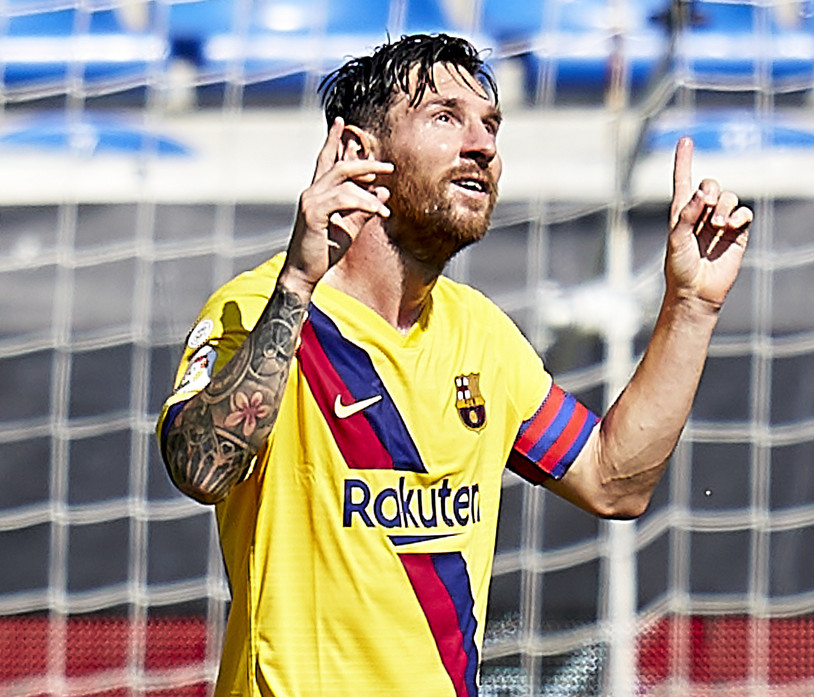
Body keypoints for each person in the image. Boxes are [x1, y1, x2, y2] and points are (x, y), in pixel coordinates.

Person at [156, 33, 752, 697]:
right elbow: (202, 468)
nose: (483, 144)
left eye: (491, 124)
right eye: (446, 117)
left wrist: (692, 305)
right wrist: (297, 282)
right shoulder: (263, 308)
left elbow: (614, 481)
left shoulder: (482, 334)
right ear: (360, 153)